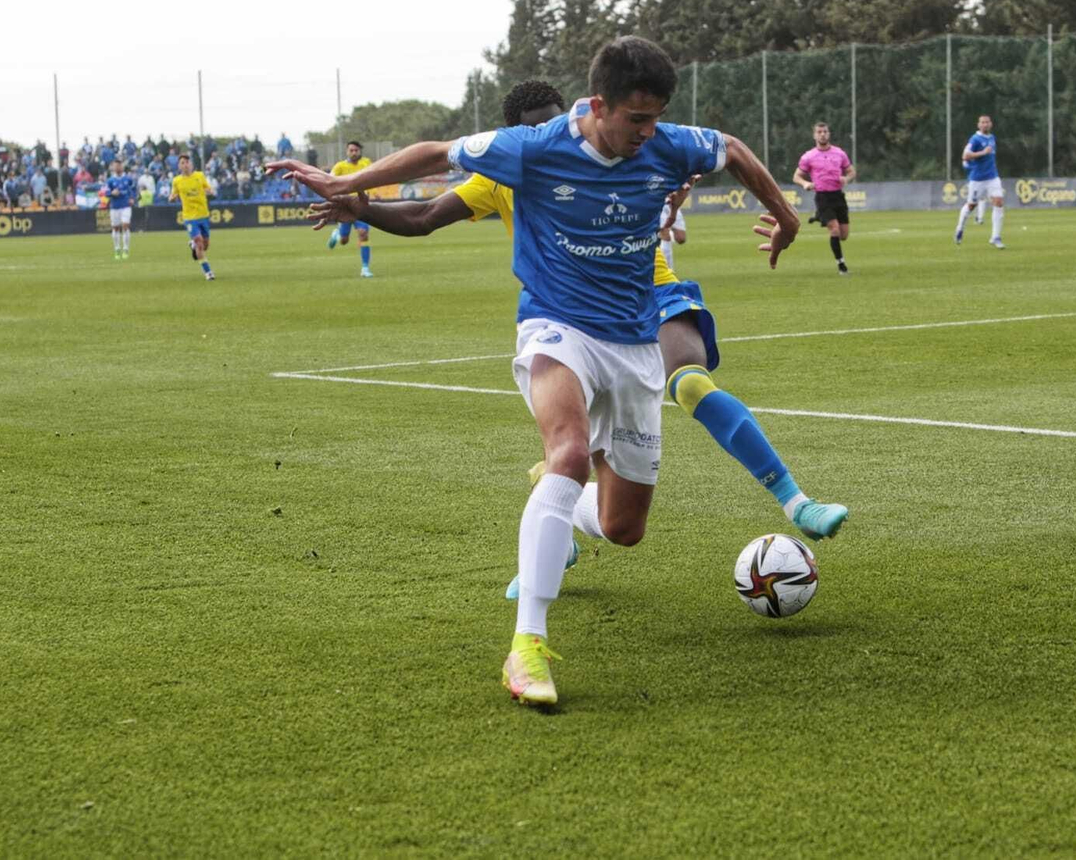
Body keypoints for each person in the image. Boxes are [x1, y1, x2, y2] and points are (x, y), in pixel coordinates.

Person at [268, 37, 803, 708]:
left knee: (622, 529)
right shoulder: (533, 148)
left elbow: (732, 148)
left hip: (635, 344)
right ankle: (527, 647)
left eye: (656, 117)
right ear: (599, 105)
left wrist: (785, 216)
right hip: (557, 327)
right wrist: (350, 187)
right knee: (570, 451)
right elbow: (436, 156)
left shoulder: (666, 144)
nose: (647, 132)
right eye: (636, 119)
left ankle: (566, 509)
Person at [308, 79, 846, 586]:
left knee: (689, 383)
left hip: (651, 289)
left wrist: (703, 205)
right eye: (537, 128)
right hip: (572, 314)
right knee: (591, 479)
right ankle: (554, 527)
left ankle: (796, 500)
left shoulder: (618, 141)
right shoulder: (504, 171)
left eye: (557, 121)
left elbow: (715, 155)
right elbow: (425, 214)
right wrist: (365, 207)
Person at [792, 122, 855, 275]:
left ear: (829, 134)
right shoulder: (809, 156)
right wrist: (805, 183)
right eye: (819, 132)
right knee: (834, 230)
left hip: (838, 196)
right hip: (822, 197)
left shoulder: (839, 153)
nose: (822, 134)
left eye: (825, 131)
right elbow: (796, 176)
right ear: (814, 135)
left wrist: (846, 179)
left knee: (844, 235)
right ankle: (841, 265)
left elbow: (851, 171)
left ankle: (820, 217)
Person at [955, 115, 1004, 249]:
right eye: (982, 122)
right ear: (978, 125)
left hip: (993, 177)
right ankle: (960, 228)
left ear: (991, 124)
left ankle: (995, 237)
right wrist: (982, 152)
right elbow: (965, 156)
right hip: (978, 179)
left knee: (999, 202)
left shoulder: (992, 138)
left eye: (987, 122)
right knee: (971, 206)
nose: (985, 124)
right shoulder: (975, 139)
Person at [326, 140, 374, 276]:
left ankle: (365, 268)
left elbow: (375, 174)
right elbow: (330, 178)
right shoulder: (340, 166)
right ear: (347, 152)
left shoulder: (366, 163)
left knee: (363, 234)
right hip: (345, 206)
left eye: (356, 150)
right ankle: (337, 234)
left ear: (360, 151)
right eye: (351, 150)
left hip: (361, 205)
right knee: (344, 240)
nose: (354, 153)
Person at [171, 153, 216, 280]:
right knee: (199, 243)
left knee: (205, 245)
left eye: (187, 162)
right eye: (182, 163)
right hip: (189, 217)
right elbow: (173, 194)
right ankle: (208, 272)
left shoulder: (200, 176)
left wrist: (210, 190)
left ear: (191, 164)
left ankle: (193, 245)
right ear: (179, 166)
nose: (185, 165)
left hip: (203, 214)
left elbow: (207, 187)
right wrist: (172, 198)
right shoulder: (177, 181)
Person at [104, 159, 137, 260]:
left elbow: (134, 189)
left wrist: (132, 198)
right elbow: (105, 192)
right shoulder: (110, 180)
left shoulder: (128, 179)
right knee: (115, 228)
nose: (118, 167)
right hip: (114, 207)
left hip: (125, 206)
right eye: (116, 166)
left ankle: (126, 248)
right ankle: (117, 248)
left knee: (125, 226)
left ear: (122, 167)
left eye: (119, 165)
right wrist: (112, 193)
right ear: (113, 167)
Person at [657, 196, 687, 272]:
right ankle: (669, 271)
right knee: (666, 236)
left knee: (681, 238)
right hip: (658, 203)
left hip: (672, 204)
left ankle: (657, 235)